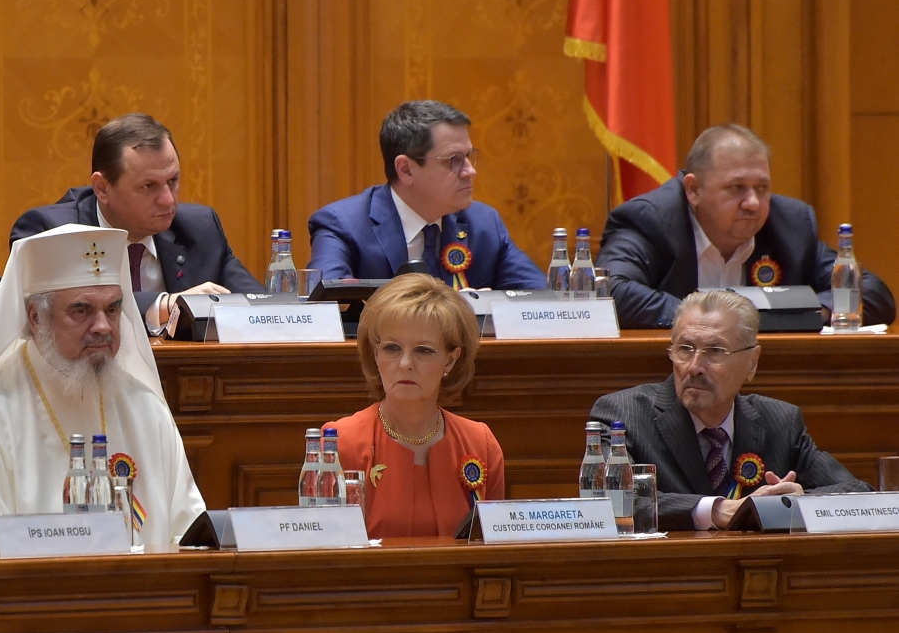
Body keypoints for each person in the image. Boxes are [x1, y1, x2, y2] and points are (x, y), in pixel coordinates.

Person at [0, 223, 206, 551]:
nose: (103, 326)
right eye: (82, 311)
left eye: (113, 308)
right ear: (35, 318)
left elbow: (192, 537)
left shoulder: (145, 408)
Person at [590, 290, 869, 531]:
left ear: (752, 363)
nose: (694, 366)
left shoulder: (780, 422)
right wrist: (717, 510)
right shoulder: (622, 414)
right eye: (685, 349)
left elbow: (858, 494)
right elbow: (606, 499)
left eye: (715, 351)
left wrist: (797, 502)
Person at [597, 123, 896, 329]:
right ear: (693, 190)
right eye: (736, 187)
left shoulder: (789, 225)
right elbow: (611, 292)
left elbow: (872, 292)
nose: (753, 202)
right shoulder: (651, 221)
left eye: (762, 187)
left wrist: (811, 313)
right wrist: (716, 323)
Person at [9, 113, 263, 330]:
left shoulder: (200, 228)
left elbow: (258, 304)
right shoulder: (54, 234)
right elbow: (69, 317)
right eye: (148, 186)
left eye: (172, 181)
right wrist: (166, 304)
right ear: (102, 188)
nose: (167, 200)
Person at [323, 273, 504, 538]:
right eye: (392, 348)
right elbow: (325, 557)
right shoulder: (341, 443)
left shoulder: (480, 444)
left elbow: (494, 552)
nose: (405, 363)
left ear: (450, 361)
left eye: (423, 350)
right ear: (376, 354)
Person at [308, 100, 546, 289]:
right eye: (454, 160)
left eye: (469, 156)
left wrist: (487, 306)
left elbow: (539, 300)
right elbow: (326, 308)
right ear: (406, 169)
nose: (470, 171)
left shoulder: (483, 224)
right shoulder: (344, 225)